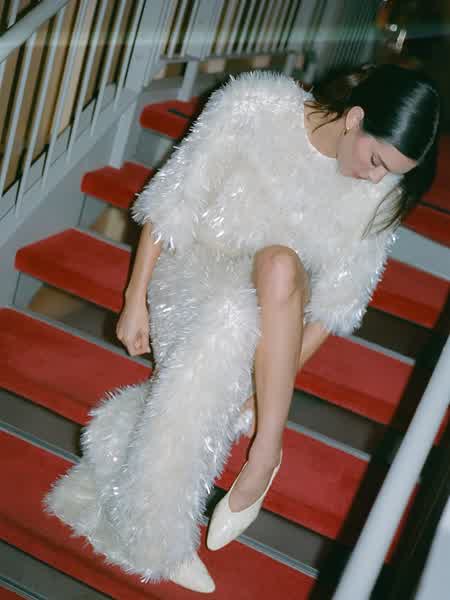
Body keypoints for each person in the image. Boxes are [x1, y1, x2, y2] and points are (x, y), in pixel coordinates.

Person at [42, 63, 440, 594]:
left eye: (390, 172)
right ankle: (158, 533)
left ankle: (259, 455)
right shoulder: (255, 104)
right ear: (355, 118)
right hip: (190, 266)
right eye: (375, 161)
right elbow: (174, 200)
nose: (376, 178)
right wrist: (134, 298)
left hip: (272, 303)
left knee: (274, 268)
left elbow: (334, 309)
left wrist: (265, 389)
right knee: (229, 317)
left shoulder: (379, 190)